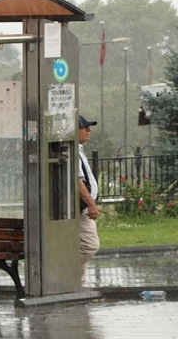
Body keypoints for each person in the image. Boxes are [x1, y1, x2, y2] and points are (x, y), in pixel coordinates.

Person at [78, 115, 100, 284]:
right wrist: (91, 204)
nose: (89, 130)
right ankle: (64, 272)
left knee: (80, 246)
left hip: (85, 207)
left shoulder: (79, 151)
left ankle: (77, 284)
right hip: (81, 208)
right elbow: (77, 181)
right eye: (85, 127)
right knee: (89, 246)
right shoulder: (73, 152)